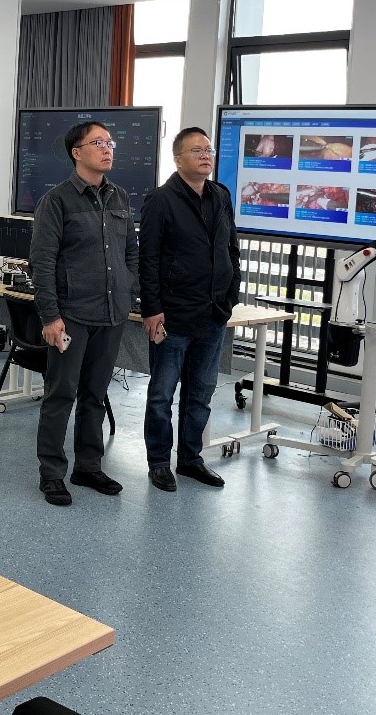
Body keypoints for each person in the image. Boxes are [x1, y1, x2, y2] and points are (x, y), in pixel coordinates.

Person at [30, 121, 138, 506]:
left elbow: (130, 253)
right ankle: (51, 473)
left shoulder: (119, 197)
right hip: (72, 314)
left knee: (96, 393)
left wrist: (128, 288)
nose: (107, 149)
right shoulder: (57, 201)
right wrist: (50, 316)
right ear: (77, 152)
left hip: (111, 312)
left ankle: (88, 466)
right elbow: (42, 262)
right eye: (98, 143)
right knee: (61, 394)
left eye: (110, 142)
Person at [139, 128, 240, 492]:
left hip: (213, 312)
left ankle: (190, 459)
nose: (205, 155)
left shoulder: (220, 195)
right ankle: (158, 462)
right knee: (162, 395)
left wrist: (231, 294)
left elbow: (231, 248)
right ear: (178, 158)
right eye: (196, 150)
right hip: (174, 314)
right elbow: (148, 259)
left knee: (201, 393)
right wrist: (152, 310)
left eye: (208, 149)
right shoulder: (160, 200)